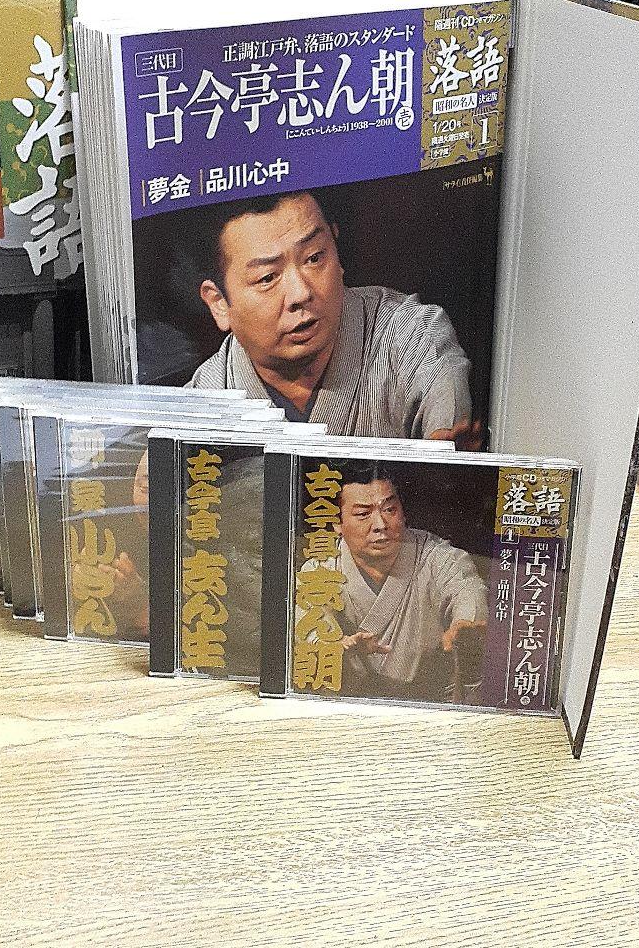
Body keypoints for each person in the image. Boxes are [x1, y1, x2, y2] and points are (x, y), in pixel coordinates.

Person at [188, 190, 480, 446]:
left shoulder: (410, 335)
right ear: (219, 303)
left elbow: (449, 442)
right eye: (267, 278)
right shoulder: (205, 395)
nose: (301, 293)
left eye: (314, 258)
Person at [328, 465, 488, 703]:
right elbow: (309, 630)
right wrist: (338, 647)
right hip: (348, 705)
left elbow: (466, 588)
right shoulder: (322, 569)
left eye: (389, 509)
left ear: (403, 512)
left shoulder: (435, 557)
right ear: (338, 524)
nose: (380, 524)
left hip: (430, 705)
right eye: (363, 514)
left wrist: (467, 622)